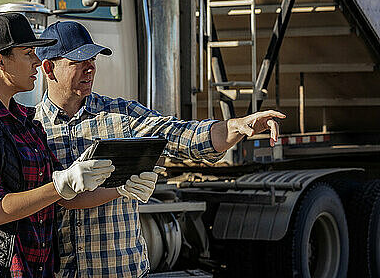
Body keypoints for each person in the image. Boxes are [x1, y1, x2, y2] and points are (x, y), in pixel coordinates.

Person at [34, 20, 286, 278]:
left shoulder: (120, 115)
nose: (90, 68)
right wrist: (119, 188)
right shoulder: (29, 128)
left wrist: (234, 127)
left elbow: (177, 134)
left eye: (93, 60)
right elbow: (47, 200)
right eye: (78, 61)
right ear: (48, 68)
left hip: (121, 272)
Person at [0, 13, 151, 278]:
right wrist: (62, 184)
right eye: (28, 53)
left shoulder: (25, 120)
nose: (37, 61)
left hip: (31, 269)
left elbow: (66, 196)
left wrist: (121, 188)